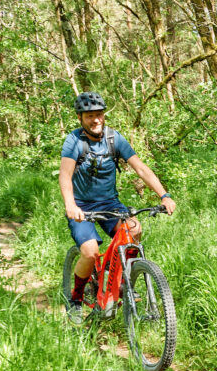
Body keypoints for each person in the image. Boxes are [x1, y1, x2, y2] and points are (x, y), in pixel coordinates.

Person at [60, 91, 176, 313]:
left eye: (100, 114)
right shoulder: (74, 141)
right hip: (81, 206)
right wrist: (70, 205)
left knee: (134, 230)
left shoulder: (114, 139)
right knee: (90, 252)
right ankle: (75, 299)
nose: (96, 120)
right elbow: (65, 175)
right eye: (89, 116)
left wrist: (164, 195)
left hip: (109, 203)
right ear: (80, 119)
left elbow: (140, 168)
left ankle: (119, 282)